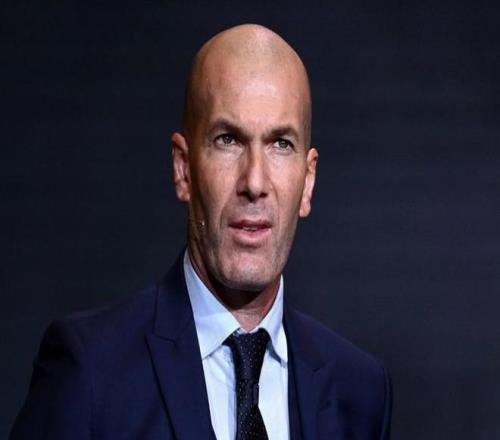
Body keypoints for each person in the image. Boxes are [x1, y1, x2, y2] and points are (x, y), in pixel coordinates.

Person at [10, 24, 392, 440]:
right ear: (183, 169)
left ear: (308, 181)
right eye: (228, 140)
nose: (255, 182)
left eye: (281, 143)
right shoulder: (90, 372)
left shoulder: (361, 392)